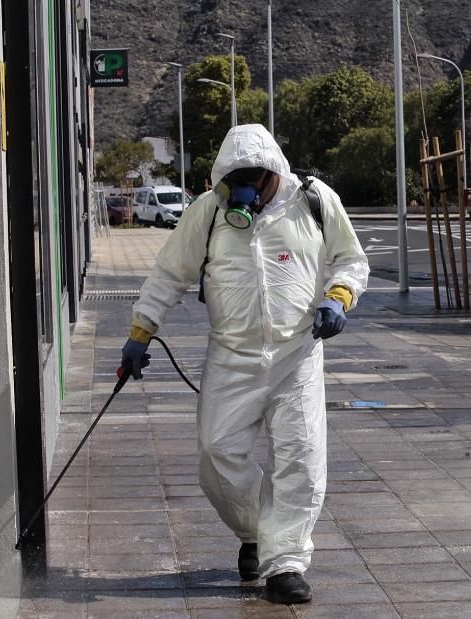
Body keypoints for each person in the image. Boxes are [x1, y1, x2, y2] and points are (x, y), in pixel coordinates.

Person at [120, 124, 369, 604]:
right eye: (235, 181)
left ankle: (286, 565)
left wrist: (339, 296)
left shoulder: (313, 202)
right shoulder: (209, 212)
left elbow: (350, 259)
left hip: (296, 354)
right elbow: (170, 273)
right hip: (231, 358)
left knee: (300, 458)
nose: (245, 191)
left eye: (253, 179)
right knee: (217, 454)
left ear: (274, 172)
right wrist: (140, 331)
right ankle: (258, 533)